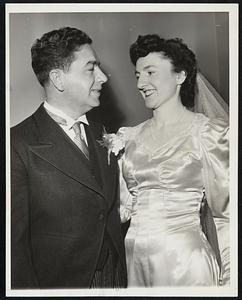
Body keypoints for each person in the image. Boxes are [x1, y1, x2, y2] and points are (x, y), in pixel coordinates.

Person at [11, 27, 127, 288]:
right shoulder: (17, 144)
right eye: (90, 68)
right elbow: (13, 248)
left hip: (115, 278)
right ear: (58, 79)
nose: (103, 77)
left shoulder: (101, 134)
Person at [115, 35, 229, 286]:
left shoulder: (208, 133)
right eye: (137, 75)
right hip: (136, 263)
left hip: (185, 264)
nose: (141, 82)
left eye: (150, 72)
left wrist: (231, 278)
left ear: (180, 76)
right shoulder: (128, 137)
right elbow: (122, 209)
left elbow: (226, 215)